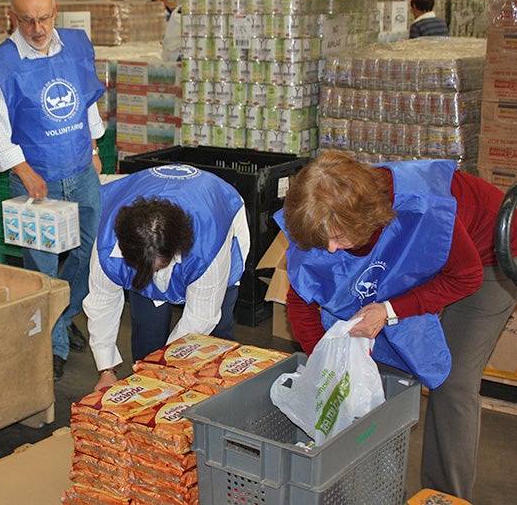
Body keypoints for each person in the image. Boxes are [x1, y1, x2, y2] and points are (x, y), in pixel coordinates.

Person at [275, 151, 517, 501]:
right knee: (378, 373)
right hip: (418, 263)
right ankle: (383, 492)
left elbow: (464, 277)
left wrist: (390, 310)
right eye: (322, 240)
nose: (329, 249)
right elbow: (302, 297)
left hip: (487, 256)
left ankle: (442, 496)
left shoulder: (420, 207)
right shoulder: (321, 219)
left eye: (338, 238)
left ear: (363, 221)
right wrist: (327, 363)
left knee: (451, 381)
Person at [0, 0, 106, 381]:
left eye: (44, 18)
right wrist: (24, 170)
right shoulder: (2, 64)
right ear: (13, 17)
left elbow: (86, 103)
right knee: (43, 267)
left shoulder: (77, 48)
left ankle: (62, 316)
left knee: (89, 253)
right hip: (36, 182)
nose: (37, 29)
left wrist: (96, 150)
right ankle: (54, 344)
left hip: (81, 173)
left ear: (56, 11)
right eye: (27, 20)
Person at [83, 164, 250, 392]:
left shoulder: (208, 245)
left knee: (217, 335)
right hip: (146, 231)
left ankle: (218, 396)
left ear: (176, 250)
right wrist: (107, 369)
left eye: (158, 266)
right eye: (144, 269)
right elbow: (102, 303)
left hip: (217, 209)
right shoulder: (108, 244)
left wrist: (166, 366)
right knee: (147, 336)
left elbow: (201, 317)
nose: (153, 275)